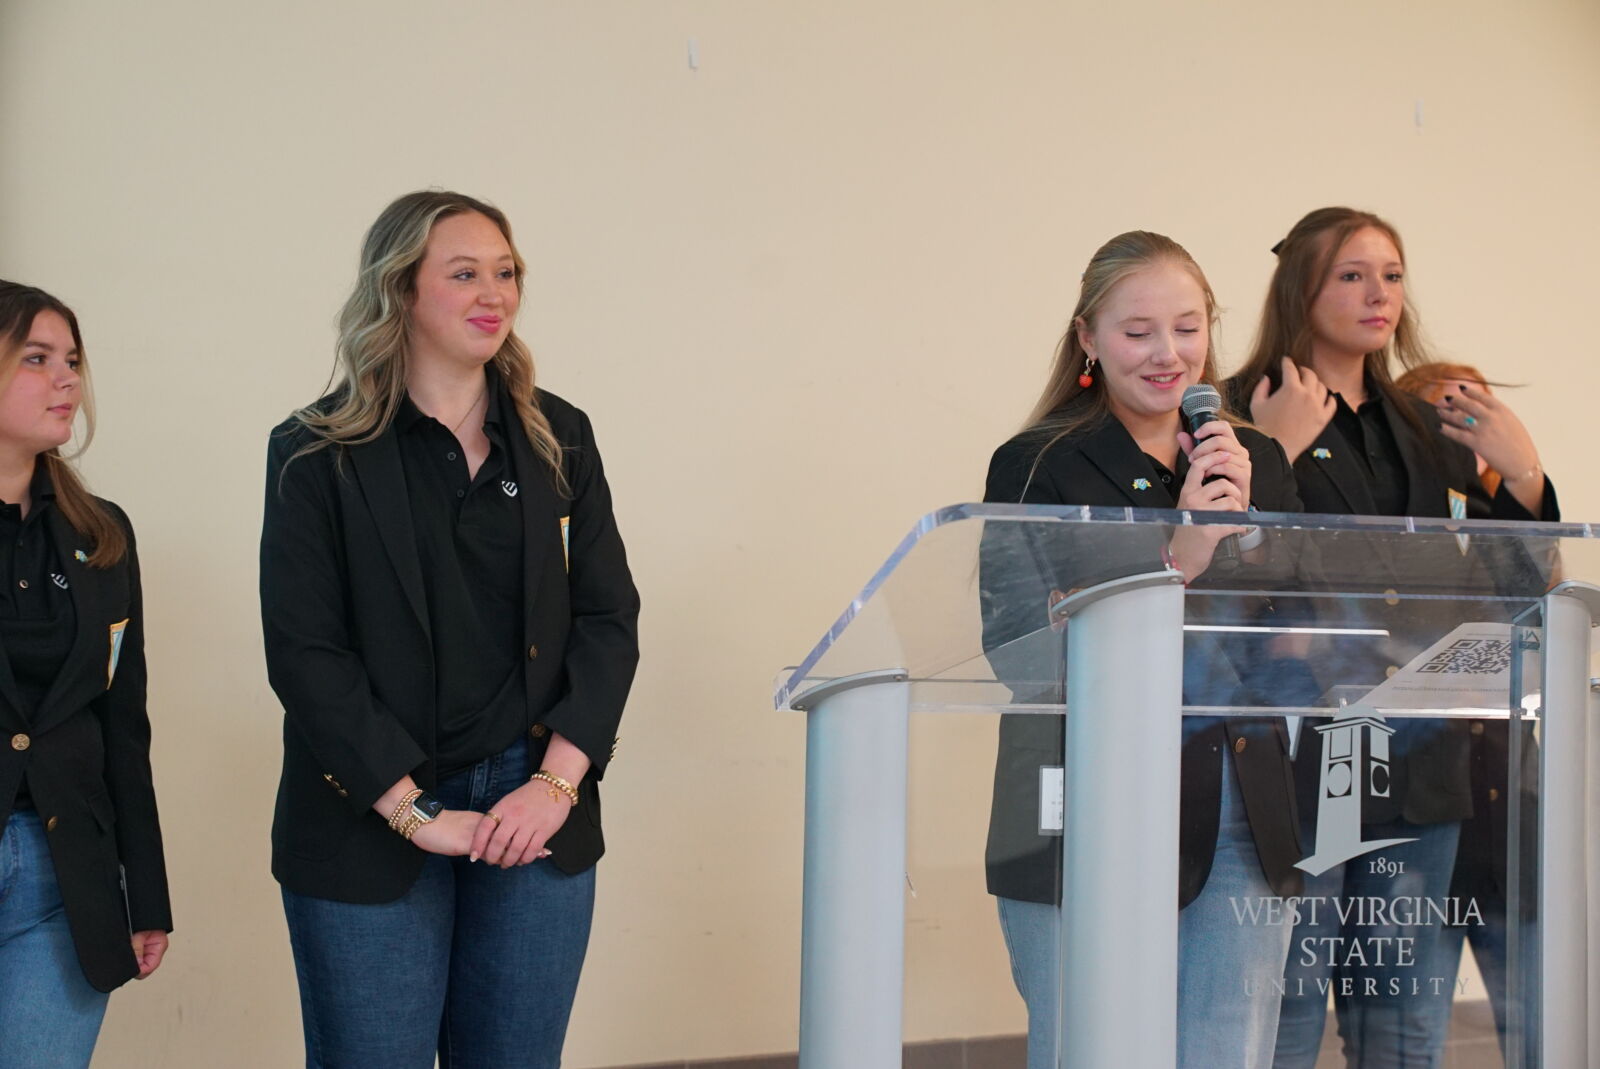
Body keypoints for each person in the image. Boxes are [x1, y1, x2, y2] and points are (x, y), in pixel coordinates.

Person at [260, 191, 640, 1069]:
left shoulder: (560, 439)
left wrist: (555, 783)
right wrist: (410, 808)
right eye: (463, 273)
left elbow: (609, 619)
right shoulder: (317, 451)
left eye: (505, 272)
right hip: (370, 812)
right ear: (399, 293)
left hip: (532, 803)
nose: (493, 293)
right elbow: (306, 651)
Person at [1227, 207, 1557, 1068]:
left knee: (1404, 1027)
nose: (1379, 294)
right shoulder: (1243, 408)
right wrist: (1276, 456)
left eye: (1393, 275)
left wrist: (1523, 477)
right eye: (1351, 274)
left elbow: (1508, 591)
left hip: (1418, 761)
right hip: (1295, 763)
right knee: (1285, 1016)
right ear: (1302, 285)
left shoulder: (1423, 430)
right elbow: (1226, 578)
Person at [982, 231, 1306, 1069]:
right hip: (1083, 803)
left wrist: (1261, 548)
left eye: (1189, 327)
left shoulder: (1253, 457)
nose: (1169, 354)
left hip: (1240, 799)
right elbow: (1017, 651)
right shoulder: (1039, 464)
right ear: (1088, 337)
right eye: (1138, 332)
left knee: (1224, 1053)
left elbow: (1306, 635)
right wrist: (1177, 557)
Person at [0, 281, 172, 1069]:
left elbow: (121, 726)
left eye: (73, 359)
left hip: (62, 883)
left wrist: (148, 894)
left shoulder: (101, 534)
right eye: (37, 358)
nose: (68, 378)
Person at [1395, 361, 1539, 1058]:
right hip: (1417, 820)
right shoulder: (1385, 531)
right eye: (1441, 416)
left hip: (1513, 817)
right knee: (1408, 1034)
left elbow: (1544, 614)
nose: (1462, 428)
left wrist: (1523, 480)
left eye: (1472, 412)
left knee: (1545, 1027)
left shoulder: (1511, 522)